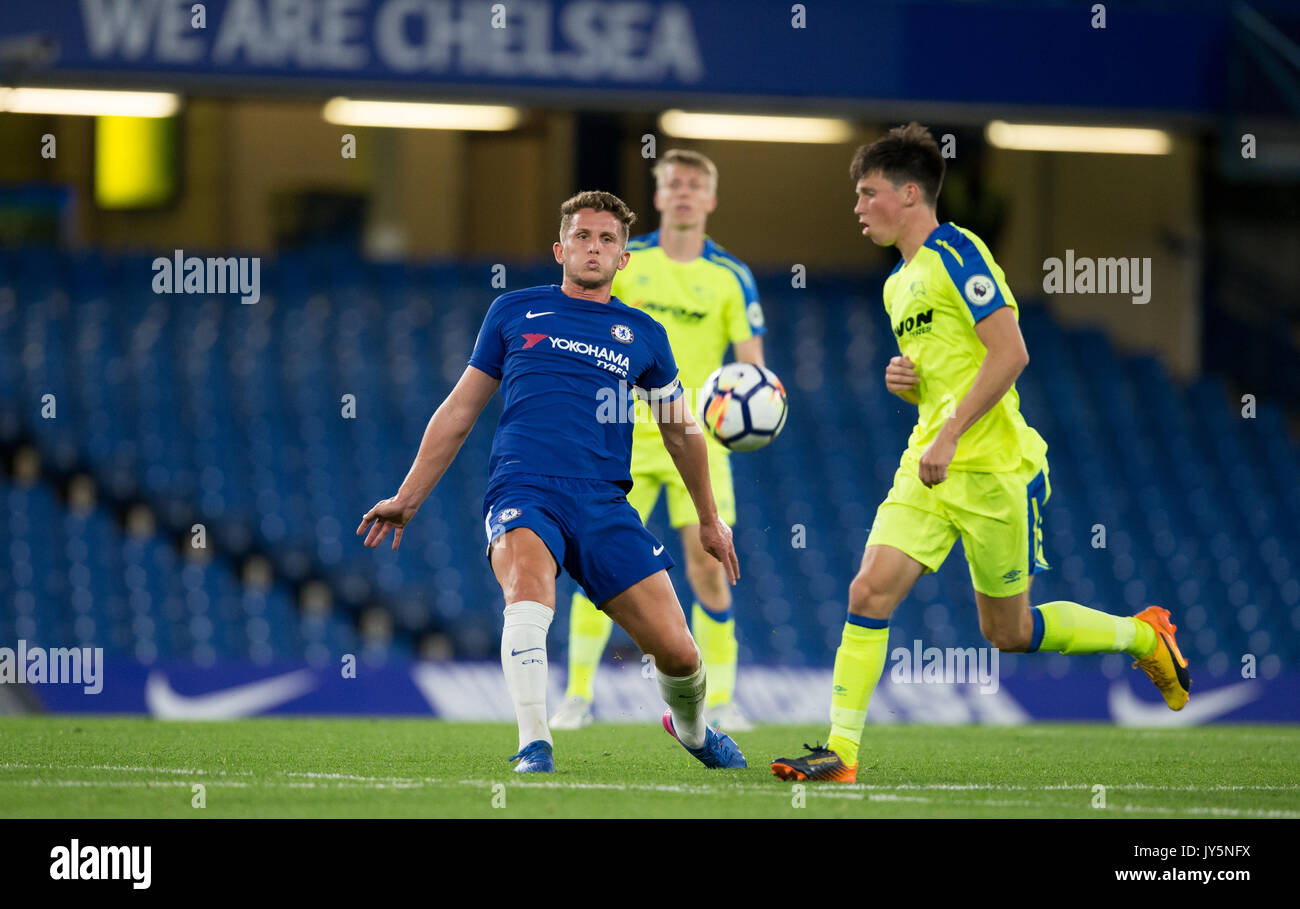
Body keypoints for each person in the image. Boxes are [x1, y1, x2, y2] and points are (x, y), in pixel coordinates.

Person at [771, 123, 1190, 783]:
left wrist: (951, 431)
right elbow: (951, 373)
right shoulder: (895, 285)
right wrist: (912, 390)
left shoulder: (958, 251)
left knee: (1009, 631)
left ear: (911, 194)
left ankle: (1143, 636)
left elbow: (1011, 353)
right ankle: (841, 752)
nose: (857, 207)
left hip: (992, 468)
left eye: (868, 192)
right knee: (868, 590)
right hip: (928, 467)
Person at [358, 190, 746, 773]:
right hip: (524, 487)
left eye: (608, 239)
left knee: (678, 651)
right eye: (584, 237)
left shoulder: (643, 334)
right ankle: (534, 742)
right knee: (529, 590)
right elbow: (460, 410)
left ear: (623, 259)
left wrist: (710, 520)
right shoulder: (514, 312)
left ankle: (692, 731)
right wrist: (407, 498)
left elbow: (682, 434)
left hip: (603, 502)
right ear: (560, 248)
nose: (595, 247)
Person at [552, 150, 766, 732]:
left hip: (695, 441)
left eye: (695, 185)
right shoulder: (628, 261)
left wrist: (759, 407)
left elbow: (753, 372)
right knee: (600, 568)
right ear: (659, 195)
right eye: (673, 184)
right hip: (618, 437)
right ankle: (576, 697)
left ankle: (719, 701)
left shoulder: (730, 277)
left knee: (708, 570)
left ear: (711, 199)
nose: (684, 193)